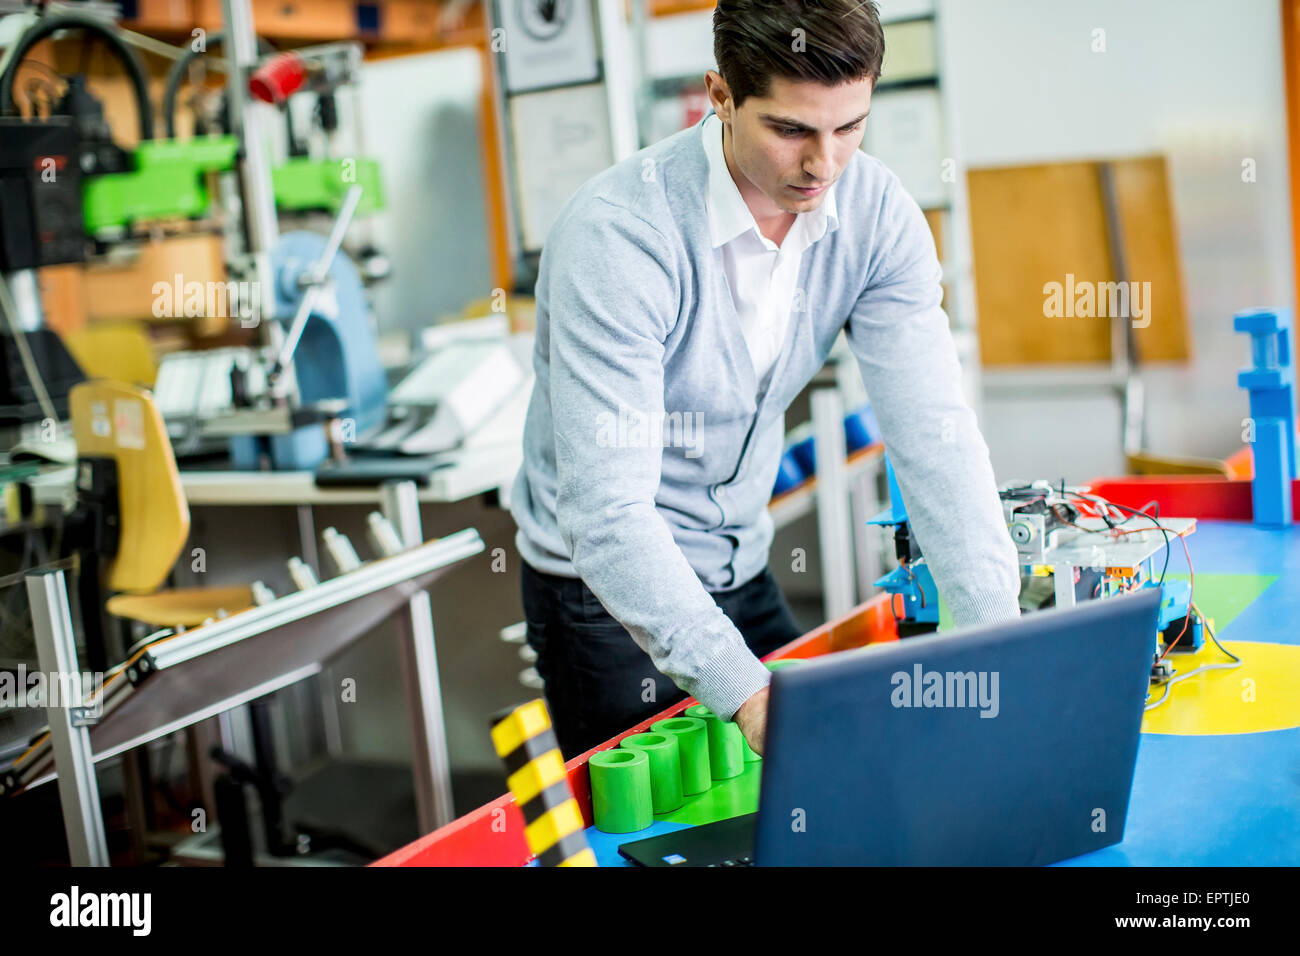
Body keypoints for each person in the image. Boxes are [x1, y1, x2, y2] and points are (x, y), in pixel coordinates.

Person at [510, 0, 1021, 759]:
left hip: (741, 562)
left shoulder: (876, 215)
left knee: (824, 784)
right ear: (720, 96)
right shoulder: (620, 237)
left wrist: (995, 639)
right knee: (662, 837)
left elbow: (934, 433)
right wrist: (746, 696)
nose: (824, 165)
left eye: (849, 128)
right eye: (791, 130)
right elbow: (606, 515)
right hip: (604, 599)